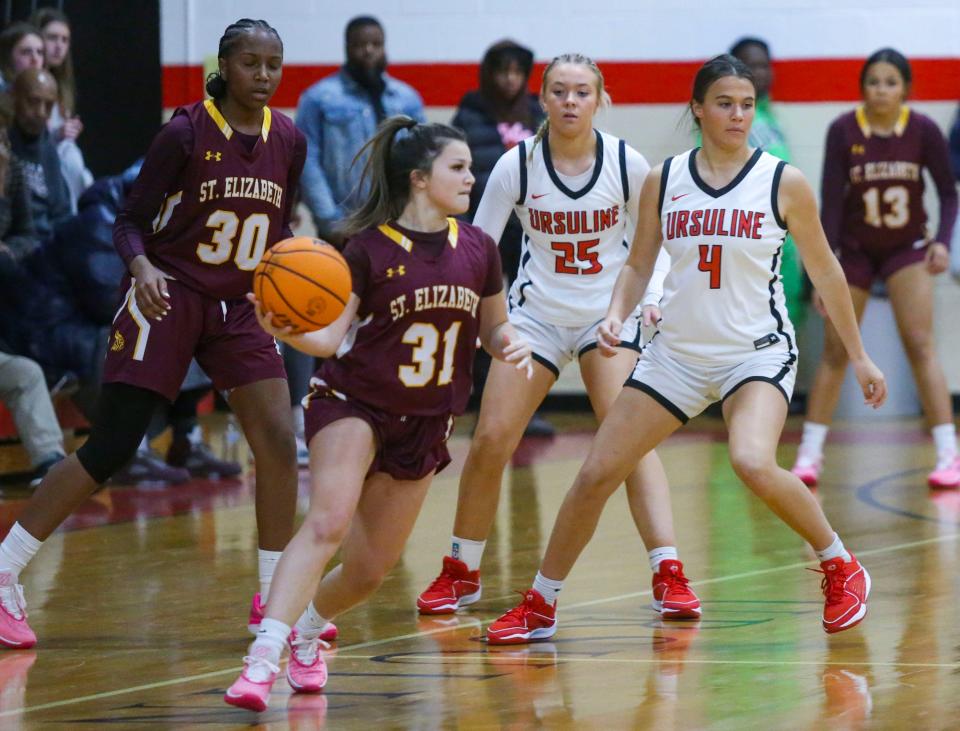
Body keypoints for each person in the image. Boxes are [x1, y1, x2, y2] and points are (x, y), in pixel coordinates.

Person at [485, 54, 888, 645]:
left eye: (746, 105)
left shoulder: (782, 181)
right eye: (724, 103)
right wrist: (618, 315)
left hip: (756, 352)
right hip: (675, 355)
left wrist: (858, 356)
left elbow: (827, 272)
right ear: (697, 108)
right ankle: (540, 604)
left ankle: (840, 564)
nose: (738, 115)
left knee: (751, 460)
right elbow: (639, 262)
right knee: (597, 471)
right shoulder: (664, 178)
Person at [0, 18, 303, 650]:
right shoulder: (185, 132)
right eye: (251, 64)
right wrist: (139, 268)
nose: (264, 76)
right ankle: (3, 572)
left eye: (273, 64)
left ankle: (275, 600)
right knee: (111, 446)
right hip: (167, 295)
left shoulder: (289, 139)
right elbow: (129, 221)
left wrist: (291, 279)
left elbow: (275, 233)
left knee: (277, 439)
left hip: (238, 305)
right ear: (225, 65)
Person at [224, 115, 534, 711]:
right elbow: (331, 338)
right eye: (460, 168)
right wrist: (279, 324)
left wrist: (511, 343)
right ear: (420, 179)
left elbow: (494, 331)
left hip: (425, 423)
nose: (474, 177)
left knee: (368, 572)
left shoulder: (478, 250)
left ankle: (309, 631)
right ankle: (262, 659)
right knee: (328, 522)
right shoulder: (365, 250)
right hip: (354, 403)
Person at [416, 54, 701, 628]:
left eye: (582, 92)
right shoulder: (515, 166)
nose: (570, 102)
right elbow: (479, 247)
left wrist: (650, 299)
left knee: (629, 445)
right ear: (541, 101)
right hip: (536, 318)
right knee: (493, 436)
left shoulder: (627, 162)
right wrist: (465, 313)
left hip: (607, 318)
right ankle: (461, 569)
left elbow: (660, 244)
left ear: (600, 100)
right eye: (560, 92)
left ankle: (667, 570)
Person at [791, 49, 959, 488]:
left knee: (920, 343)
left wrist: (941, 243)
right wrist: (823, 268)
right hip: (856, 251)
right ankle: (809, 454)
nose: (881, 90)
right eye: (873, 82)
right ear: (862, 87)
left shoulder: (922, 131)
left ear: (905, 88)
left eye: (890, 82)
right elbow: (829, 201)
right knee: (835, 349)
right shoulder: (843, 130)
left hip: (906, 250)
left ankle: (948, 454)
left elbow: (948, 193)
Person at [452, 39, 553, 436]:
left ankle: (527, 406)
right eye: (502, 71)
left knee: (528, 316)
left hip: (530, 231)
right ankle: (480, 401)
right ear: (488, 73)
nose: (510, 80)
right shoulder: (470, 113)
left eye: (517, 72)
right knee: (484, 314)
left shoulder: (535, 111)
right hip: (486, 228)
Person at [295, 15, 425, 247]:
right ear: (347, 48)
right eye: (359, 45)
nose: (368, 51)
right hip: (343, 226)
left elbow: (425, 157)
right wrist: (330, 220)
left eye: (376, 44)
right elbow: (307, 162)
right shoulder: (319, 98)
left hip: (400, 223)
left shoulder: (407, 98)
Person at [729, 37, 807, 333]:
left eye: (765, 65)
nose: (760, 72)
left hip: (784, 242)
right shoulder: (727, 122)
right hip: (749, 241)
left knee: (787, 336)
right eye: (751, 65)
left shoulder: (769, 116)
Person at [31, 7, 92, 211]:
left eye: (64, 40)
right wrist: (57, 135)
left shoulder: (61, 86)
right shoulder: (24, 88)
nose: (59, 46)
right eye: (52, 38)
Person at [7, 68, 70, 242]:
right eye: (33, 102)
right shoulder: (4, 142)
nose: (41, 112)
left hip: (46, 246)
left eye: (48, 105)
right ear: (14, 98)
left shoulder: (48, 147)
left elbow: (61, 212)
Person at [0, 23, 43, 93]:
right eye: (26, 52)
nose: (35, 59)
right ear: (8, 56)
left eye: (39, 52)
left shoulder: (45, 87)